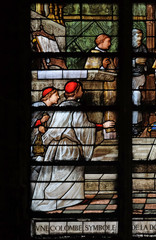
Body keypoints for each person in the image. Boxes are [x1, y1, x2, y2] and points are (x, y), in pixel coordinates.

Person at [31, 81, 115, 211]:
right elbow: (83, 128)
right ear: (76, 92)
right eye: (81, 90)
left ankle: (73, 198)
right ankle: (55, 199)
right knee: (67, 174)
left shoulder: (59, 107)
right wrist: (101, 126)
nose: (83, 92)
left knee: (59, 174)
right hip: (69, 147)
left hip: (56, 146)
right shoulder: (76, 108)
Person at [84, 33, 117, 138]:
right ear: (101, 42)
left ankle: (110, 132)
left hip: (109, 90)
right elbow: (90, 73)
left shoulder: (106, 54)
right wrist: (102, 66)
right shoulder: (94, 54)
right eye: (108, 41)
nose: (110, 44)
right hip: (98, 91)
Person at [31, 87, 60, 192]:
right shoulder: (38, 106)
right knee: (37, 167)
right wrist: (39, 123)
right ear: (49, 95)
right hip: (35, 146)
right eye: (56, 94)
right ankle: (34, 193)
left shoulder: (51, 110)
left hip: (44, 145)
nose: (58, 97)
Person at [132, 29, 149, 135]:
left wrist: (145, 62)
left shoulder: (143, 48)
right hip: (127, 78)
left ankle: (135, 125)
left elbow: (148, 61)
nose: (139, 40)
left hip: (140, 77)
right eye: (137, 37)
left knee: (137, 101)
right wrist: (135, 61)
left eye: (140, 37)